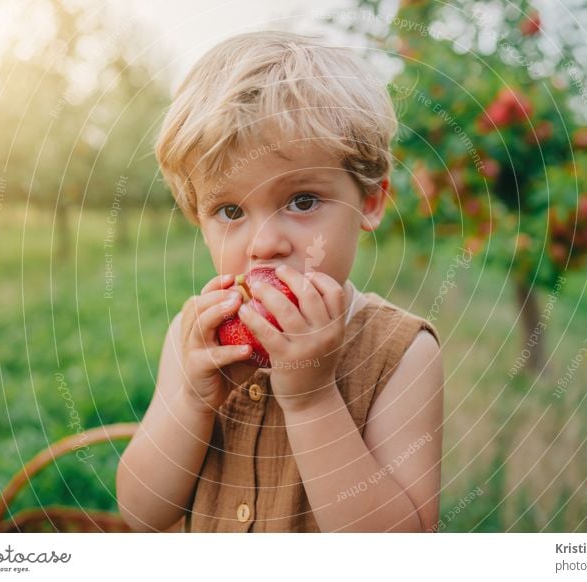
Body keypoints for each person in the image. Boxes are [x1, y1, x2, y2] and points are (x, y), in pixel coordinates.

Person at [116, 30, 444, 532]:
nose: (265, 244)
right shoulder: (196, 337)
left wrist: (312, 398)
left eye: (303, 201)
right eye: (230, 210)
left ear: (370, 202)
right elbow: (141, 513)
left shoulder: (401, 353)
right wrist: (191, 404)